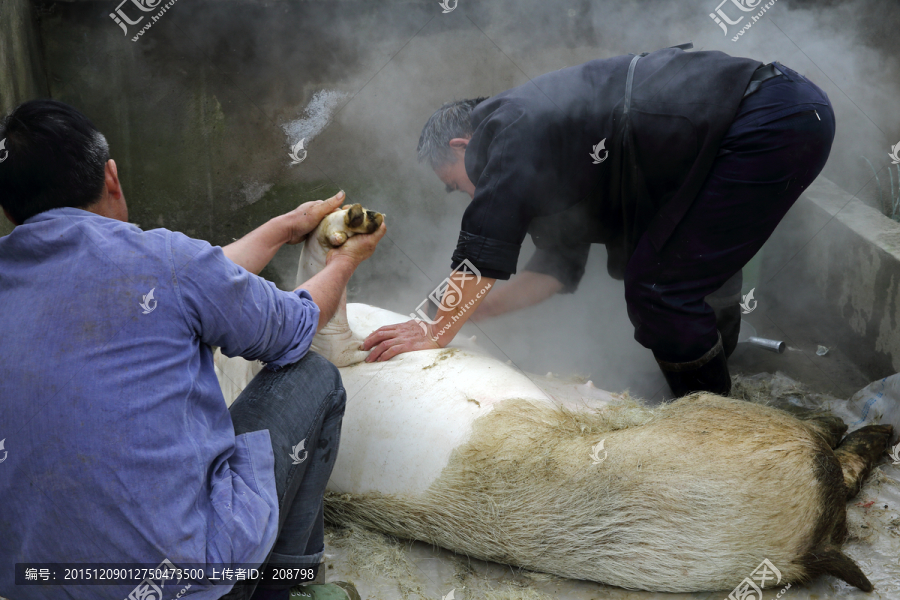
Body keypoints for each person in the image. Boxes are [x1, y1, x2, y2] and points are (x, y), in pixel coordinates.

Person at [0, 100, 385, 600]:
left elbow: (199, 281)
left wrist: (286, 228)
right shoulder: (160, 258)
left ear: (9, 210)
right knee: (314, 375)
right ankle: (291, 587)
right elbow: (296, 325)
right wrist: (346, 261)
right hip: (183, 583)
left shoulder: (154, 268)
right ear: (111, 178)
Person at [362, 45, 835, 397]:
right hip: (782, 118)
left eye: (456, 184)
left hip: (770, 116)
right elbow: (554, 268)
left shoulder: (507, 125)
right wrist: (475, 311)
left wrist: (433, 328)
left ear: (462, 147)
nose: (467, 194)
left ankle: (710, 427)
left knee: (659, 289)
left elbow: (483, 239)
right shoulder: (547, 154)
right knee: (677, 274)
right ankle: (713, 391)